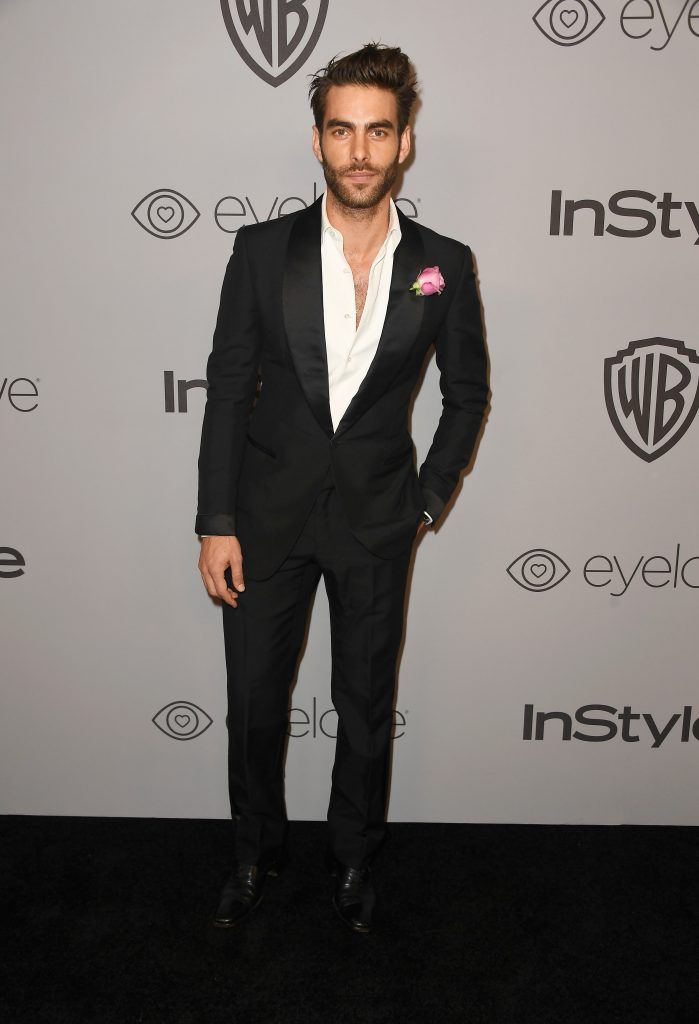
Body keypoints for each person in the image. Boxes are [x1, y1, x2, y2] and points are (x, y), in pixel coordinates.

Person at [195, 42, 488, 934]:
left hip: (375, 524)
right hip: (263, 524)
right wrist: (215, 520)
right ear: (317, 141)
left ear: (404, 143)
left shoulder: (444, 262)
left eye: (378, 132)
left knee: (364, 706)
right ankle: (254, 853)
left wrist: (426, 501)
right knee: (253, 706)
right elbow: (226, 388)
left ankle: (355, 859)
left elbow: (467, 394)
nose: (359, 152)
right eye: (341, 131)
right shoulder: (258, 252)